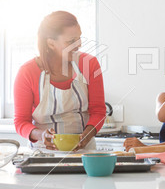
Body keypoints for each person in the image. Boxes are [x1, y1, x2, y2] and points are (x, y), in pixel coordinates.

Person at [13, 11, 106, 151]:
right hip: (43, 152)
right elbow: (21, 122)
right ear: (51, 43)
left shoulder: (89, 64)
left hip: (84, 151)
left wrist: (86, 135)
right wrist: (42, 135)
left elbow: (98, 110)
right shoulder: (27, 72)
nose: (79, 45)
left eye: (79, 38)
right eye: (71, 41)